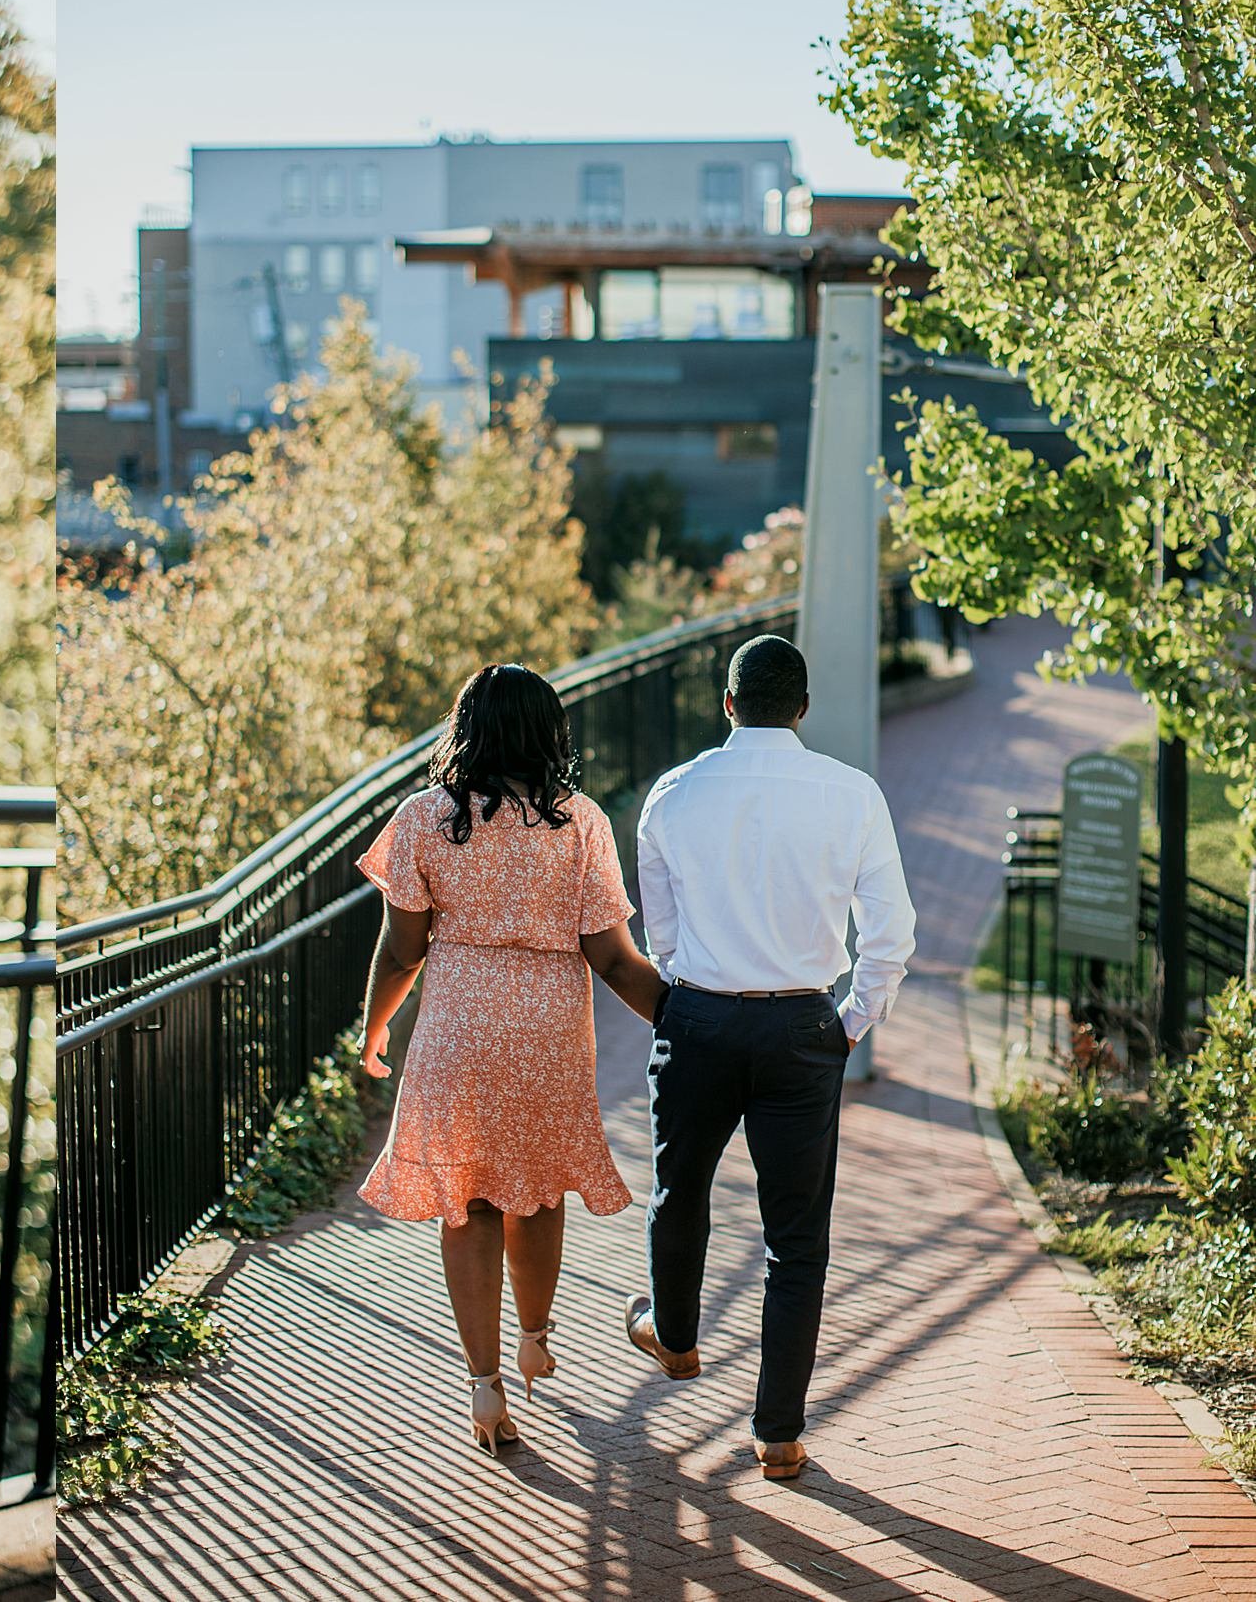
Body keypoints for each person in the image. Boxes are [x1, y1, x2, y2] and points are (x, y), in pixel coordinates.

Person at [355, 663, 668, 1454]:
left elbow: (401, 950)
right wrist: (685, 1019)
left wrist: (374, 1027)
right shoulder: (580, 823)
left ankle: (484, 1385)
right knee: (537, 1190)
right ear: (547, 733)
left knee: (468, 1205)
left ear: (465, 730)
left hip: (458, 1024)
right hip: (547, 1031)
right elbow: (613, 957)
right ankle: (536, 1333)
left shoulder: (423, 819)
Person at [625, 633, 916, 1481]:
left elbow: (663, 934)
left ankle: (674, 1337)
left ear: (726, 704)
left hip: (701, 1023)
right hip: (801, 1030)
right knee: (796, 1236)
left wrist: (690, 993)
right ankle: (778, 1431)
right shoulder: (851, 793)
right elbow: (888, 933)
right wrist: (851, 1021)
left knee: (679, 1188)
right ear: (801, 710)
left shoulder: (671, 795)